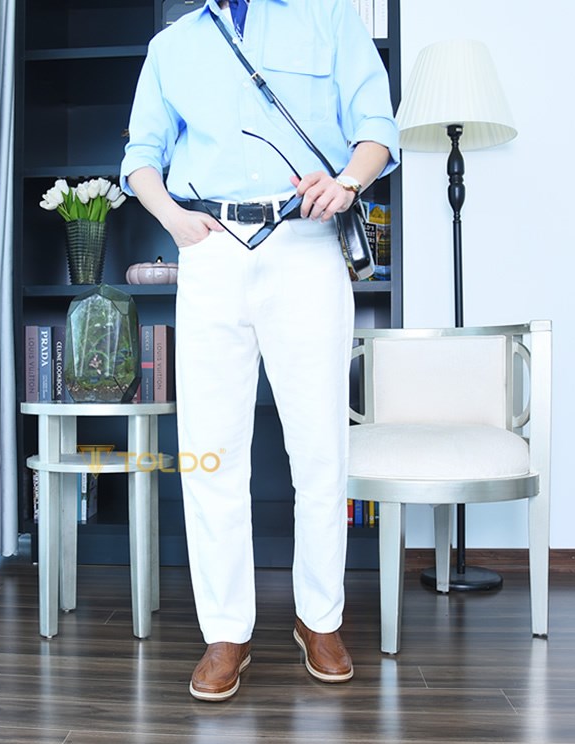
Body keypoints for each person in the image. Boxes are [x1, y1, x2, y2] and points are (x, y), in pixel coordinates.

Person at [120, 0, 399, 702]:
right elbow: (140, 157)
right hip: (211, 249)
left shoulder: (329, 17)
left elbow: (377, 127)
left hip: (305, 242)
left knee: (320, 446)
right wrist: (175, 219)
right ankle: (225, 632)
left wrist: (347, 183)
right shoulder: (171, 46)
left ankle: (320, 620)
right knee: (209, 449)